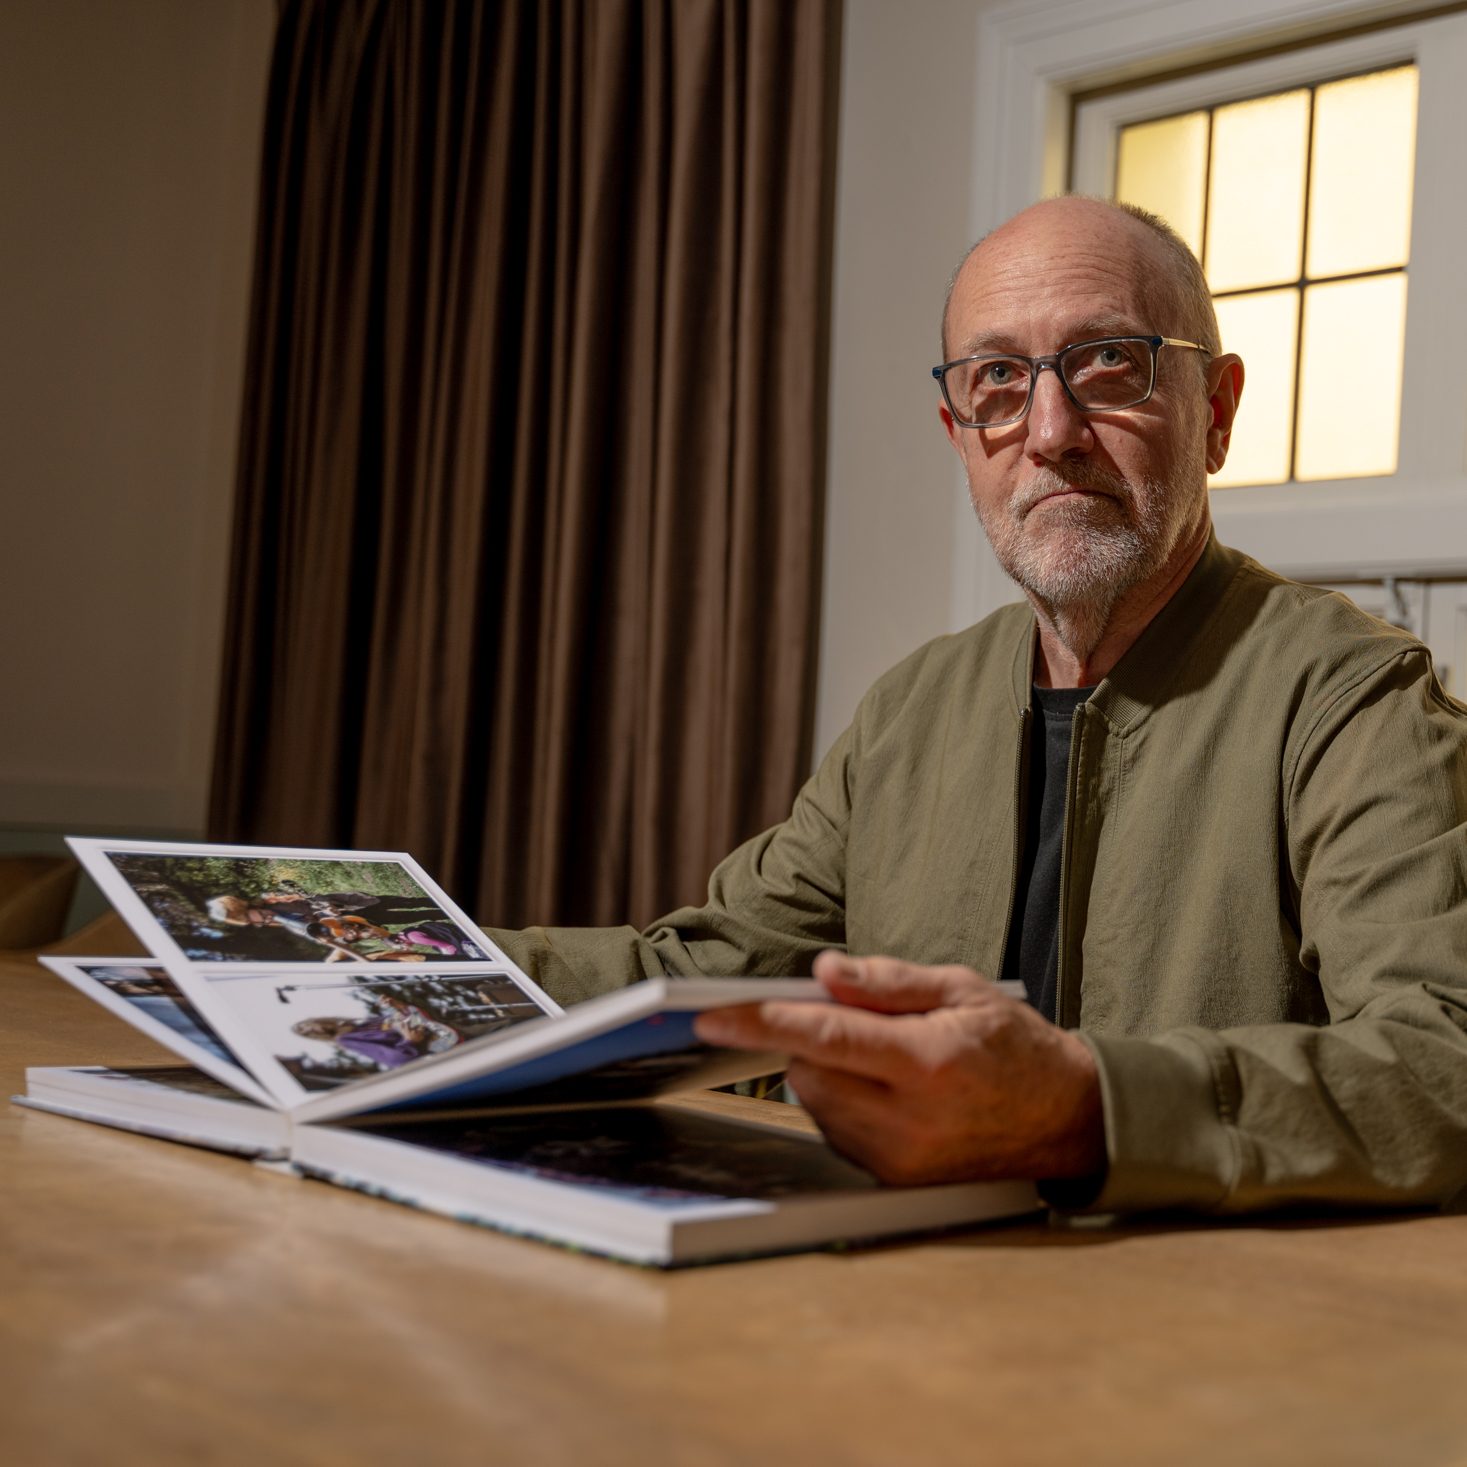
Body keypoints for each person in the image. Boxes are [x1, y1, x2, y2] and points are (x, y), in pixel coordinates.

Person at [486, 195, 1467, 1215]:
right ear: (961, 434)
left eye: (1108, 362)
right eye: (999, 379)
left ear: (1215, 411)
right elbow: (709, 973)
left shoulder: (1357, 700)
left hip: (1208, 1340)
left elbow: (1444, 1057)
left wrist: (1086, 1109)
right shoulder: (911, 711)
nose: (1050, 431)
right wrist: (385, 956)